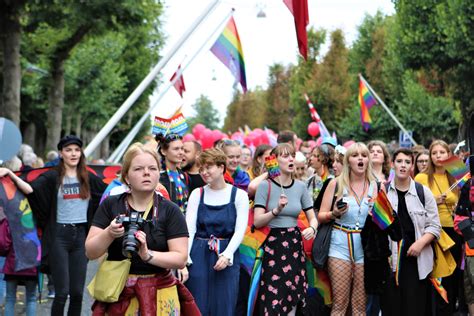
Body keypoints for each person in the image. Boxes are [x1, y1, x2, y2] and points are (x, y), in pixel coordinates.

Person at [85, 142, 197, 314]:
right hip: (117, 292)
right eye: (138, 169)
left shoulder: (170, 210)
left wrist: (147, 255)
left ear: (158, 175)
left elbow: (180, 258)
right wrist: (109, 233)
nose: (146, 173)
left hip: (160, 294)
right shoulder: (111, 205)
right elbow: (91, 252)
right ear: (127, 177)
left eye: (152, 168)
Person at [27, 135, 106, 316]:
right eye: (69, 150)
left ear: (81, 153)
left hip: (80, 237)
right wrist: (9, 175)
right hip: (59, 237)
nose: (73, 154)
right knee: (61, 293)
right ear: (61, 153)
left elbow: (107, 193)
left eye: (77, 150)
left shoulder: (88, 177)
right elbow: (32, 189)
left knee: (77, 293)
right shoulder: (52, 176)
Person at [253, 143, 317, 315]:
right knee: (273, 298)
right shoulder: (265, 186)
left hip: (294, 244)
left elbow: (313, 218)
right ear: (274, 161)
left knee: (293, 296)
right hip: (273, 245)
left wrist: (312, 227)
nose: (290, 159)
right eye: (285, 156)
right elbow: (257, 221)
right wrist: (276, 210)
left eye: (292, 155)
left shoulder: (301, 186)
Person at [183, 148, 249, 315]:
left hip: (227, 252)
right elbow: (189, 228)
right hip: (198, 253)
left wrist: (227, 255)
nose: (204, 172)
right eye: (201, 168)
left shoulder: (239, 195)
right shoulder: (197, 194)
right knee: (197, 305)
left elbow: (240, 230)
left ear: (221, 167)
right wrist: (185, 258)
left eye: (208, 167)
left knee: (225, 305)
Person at [318, 142, 377, 315]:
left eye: (364, 155)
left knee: (360, 305)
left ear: (368, 161)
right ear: (348, 161)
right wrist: (334, 213)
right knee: (340, 302)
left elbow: (384, 221)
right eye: (355, 155)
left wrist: (377, 216)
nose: (360, 158)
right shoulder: (335, 184)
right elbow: (320, 215)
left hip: (365, 247)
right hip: (340, 243)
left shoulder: (375, 186)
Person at [381, 148, 441, 316]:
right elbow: (376, 226)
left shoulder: (423, 192)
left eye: (407, 162)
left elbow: (435, 226)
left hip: (417, 261)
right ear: (392, 164)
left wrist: (420, 243)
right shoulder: (383, 192)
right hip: (391, 261)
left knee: (415, 307)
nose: (403, 166)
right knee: (392, 308)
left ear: (412, 166)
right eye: (399, 161)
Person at [415, 139, 462, 315]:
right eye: (434, 153)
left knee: (452, 272)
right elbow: (416, 202)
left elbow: (467, 194)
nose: (438, 156)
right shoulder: (422, 177)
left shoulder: (456, 174)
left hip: (454, 229)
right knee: (435, 273)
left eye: (442, 152)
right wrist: (433, 200)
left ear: (448, 155)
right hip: (432, 230)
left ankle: (449, 309)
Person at [0, 167, 36, 316]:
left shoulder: (8, 217)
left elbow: (4, 243)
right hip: (32, 260)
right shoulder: (34, 216)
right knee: (31, 298)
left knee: (10, 298)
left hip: (13, 262)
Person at [155, 133, 189, 213]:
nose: (181, 152)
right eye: (176, 149)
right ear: (163, 151)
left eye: (182, 148)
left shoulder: (184, 176)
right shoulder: (158, 177)